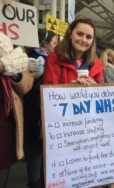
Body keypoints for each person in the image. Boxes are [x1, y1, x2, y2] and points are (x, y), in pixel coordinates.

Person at [42, 18, 104, 188]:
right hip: (63, 131)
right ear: (70, 34)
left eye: (88, 37)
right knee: (65, 175)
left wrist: (95, 87)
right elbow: (48, 93)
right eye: (80, 34)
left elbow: (103, 98)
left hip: (88, 128)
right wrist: (70, 89)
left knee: (86, 174)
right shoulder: (54, 59)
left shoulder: (97, 64)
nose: (84, 40)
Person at [0, 33, 33, 188]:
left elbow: (26, 86)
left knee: (2, 173)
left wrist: (15, 73)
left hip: (5, 128)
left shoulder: (15, 59)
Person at [23, 29, 57, 188]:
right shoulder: (43, 60)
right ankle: (38, 182)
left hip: (32, 107)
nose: (55, 47)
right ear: (45, 43)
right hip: (38, 107)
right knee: (39, 147)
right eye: (54, 43)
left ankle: (36, 181)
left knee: (35, 146)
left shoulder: (28, 57)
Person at [100, 48, 114, 188]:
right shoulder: (109, 70)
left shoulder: (106, 68)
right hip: (109, 113)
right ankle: (109, 180)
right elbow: (111, 89)